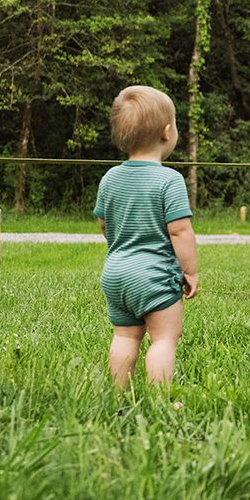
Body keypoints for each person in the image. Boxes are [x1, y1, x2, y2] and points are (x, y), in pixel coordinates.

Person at [94, 85, 199, 386]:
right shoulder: (169, 180)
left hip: (115, 273)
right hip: (154, 275)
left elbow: (104, 223)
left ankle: (118, 393)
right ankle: (160, 399)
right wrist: (190, 271)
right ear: (167, 132)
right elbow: (180, 231)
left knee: (125, 336)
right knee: (164, 339)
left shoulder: (110, 177)